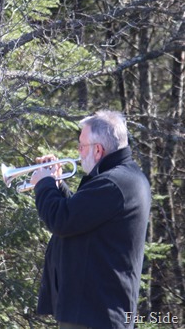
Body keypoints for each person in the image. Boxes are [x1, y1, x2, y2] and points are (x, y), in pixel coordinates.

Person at [30, 110, 151, 329]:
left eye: (81, 145)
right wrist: (56, 184)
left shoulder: (114, 183)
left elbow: (61, 220)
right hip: (94, 311)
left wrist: (43, 184)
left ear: (98, 149)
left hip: (94, 314)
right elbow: (80, 216)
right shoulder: (122, 178)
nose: (78, 151)